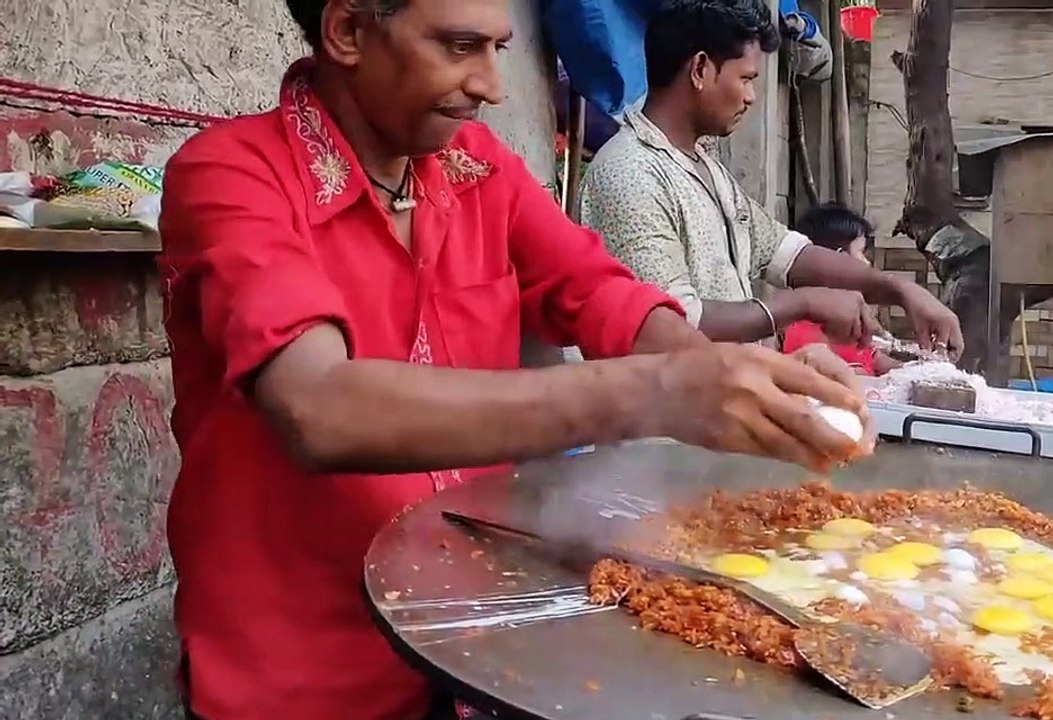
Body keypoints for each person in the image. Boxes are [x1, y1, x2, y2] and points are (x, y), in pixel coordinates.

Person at [157, 1, 874, 718]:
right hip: (306, 677)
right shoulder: (231, 175)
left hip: (479, 649)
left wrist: (739, 382)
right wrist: (661, 390)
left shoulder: (478, 169)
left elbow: (600, 293)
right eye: (461, 47)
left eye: (499, 47)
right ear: (347, 31)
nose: (492, 86)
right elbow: (317, 407)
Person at [580, 0, 962, 355]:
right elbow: (675, 320)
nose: (751, 96)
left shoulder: (705, 167)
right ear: (699, 70)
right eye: (746, 79)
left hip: (720, 414)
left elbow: (788, 253)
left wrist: (898, 288)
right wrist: (804, 303)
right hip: (661, 425)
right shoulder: (631, 174)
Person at [782, 203, 904, 376]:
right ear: (839, 257)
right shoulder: (806, 327)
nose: (867, 262)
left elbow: (875, 359)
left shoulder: (848, 318)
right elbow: (828, 378)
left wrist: (918, 370)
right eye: (861, 252)